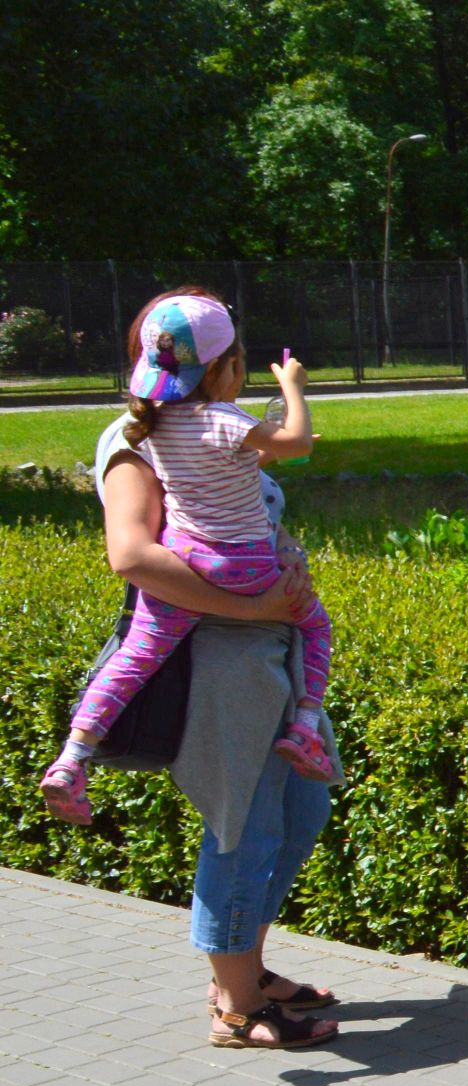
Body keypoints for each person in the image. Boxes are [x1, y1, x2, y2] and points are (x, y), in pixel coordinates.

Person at [85, 389, 342, 1049]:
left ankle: (245, 970)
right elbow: (133, 556)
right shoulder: (137, 440)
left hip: (274, 658)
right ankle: (235, 1006)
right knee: (243, 830)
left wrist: (284, 562)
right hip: (221, 669)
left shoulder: (217, 429)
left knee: (301, 815)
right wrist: (258, 607)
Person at [44, 292, 335, 822]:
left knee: (134, 659)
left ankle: (73, 756)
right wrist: (292, 387)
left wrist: (263, 467)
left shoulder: (154, 426)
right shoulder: (223, 417)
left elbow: (207, 468)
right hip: (242, 575)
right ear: (224, 368)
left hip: (190, 556)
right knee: (316, 624)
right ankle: (306, 727)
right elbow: (297, 442)